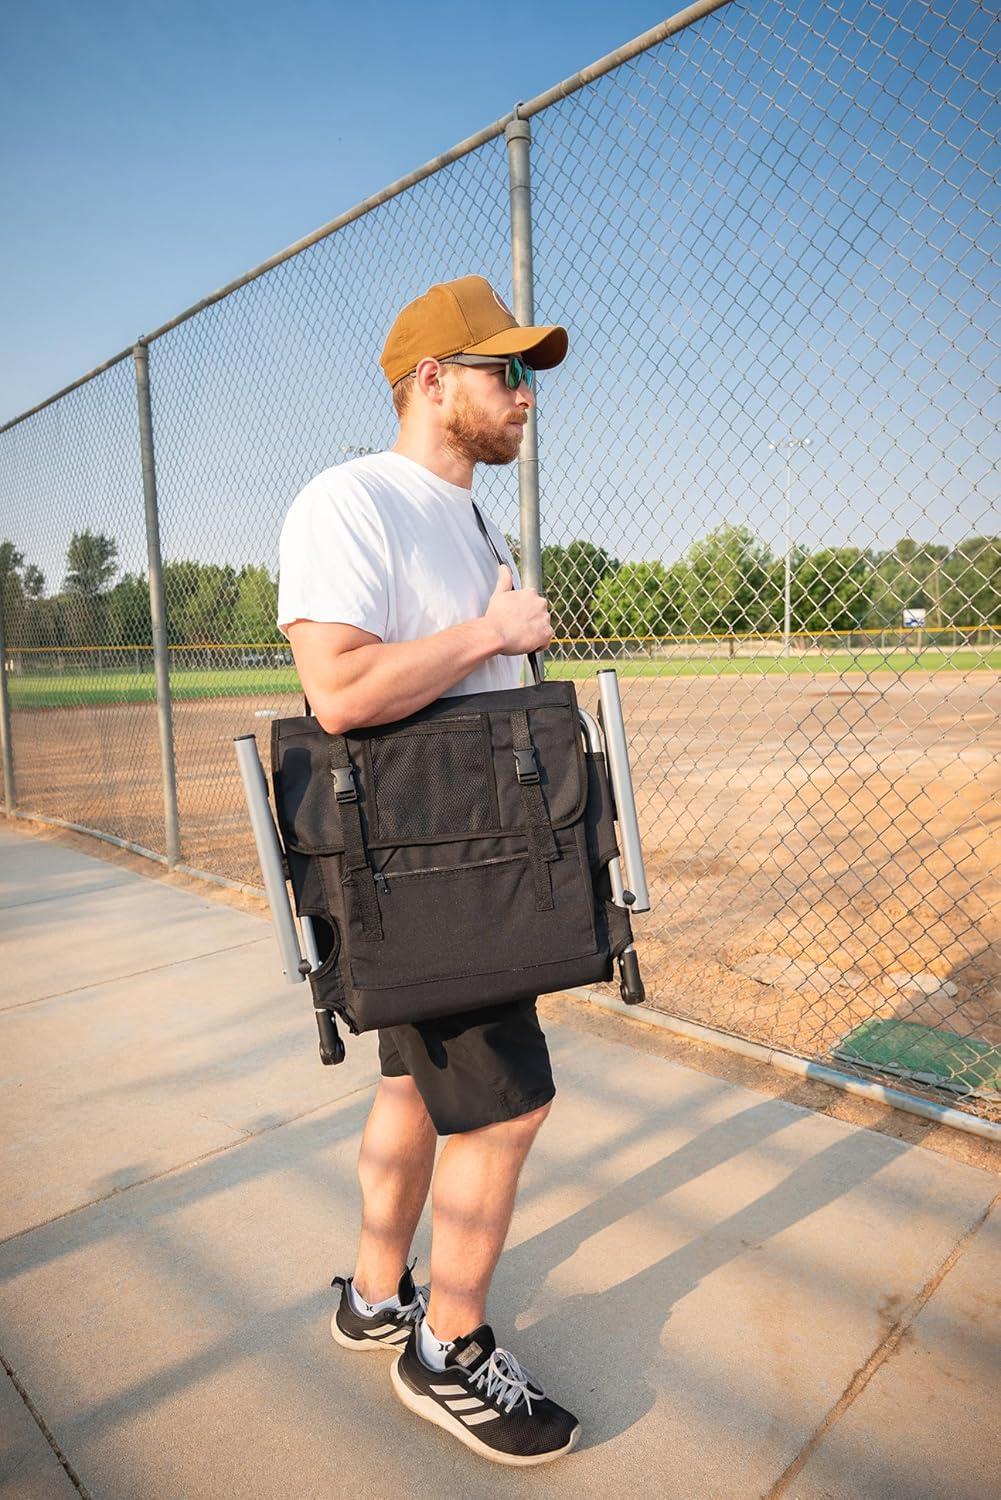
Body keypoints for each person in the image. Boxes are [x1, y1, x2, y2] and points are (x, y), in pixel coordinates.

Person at [276, 275, 580, 1465]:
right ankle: (446, 1347)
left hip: (460, 856)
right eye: (506, 372)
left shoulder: (462, 516)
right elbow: (338, 693)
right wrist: (493, 635)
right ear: (429, 380)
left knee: (413, 1084)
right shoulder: (350, 499)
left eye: (528, 374)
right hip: (424, 870)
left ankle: (370, 1296)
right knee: (509, 1106)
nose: (524, 395)